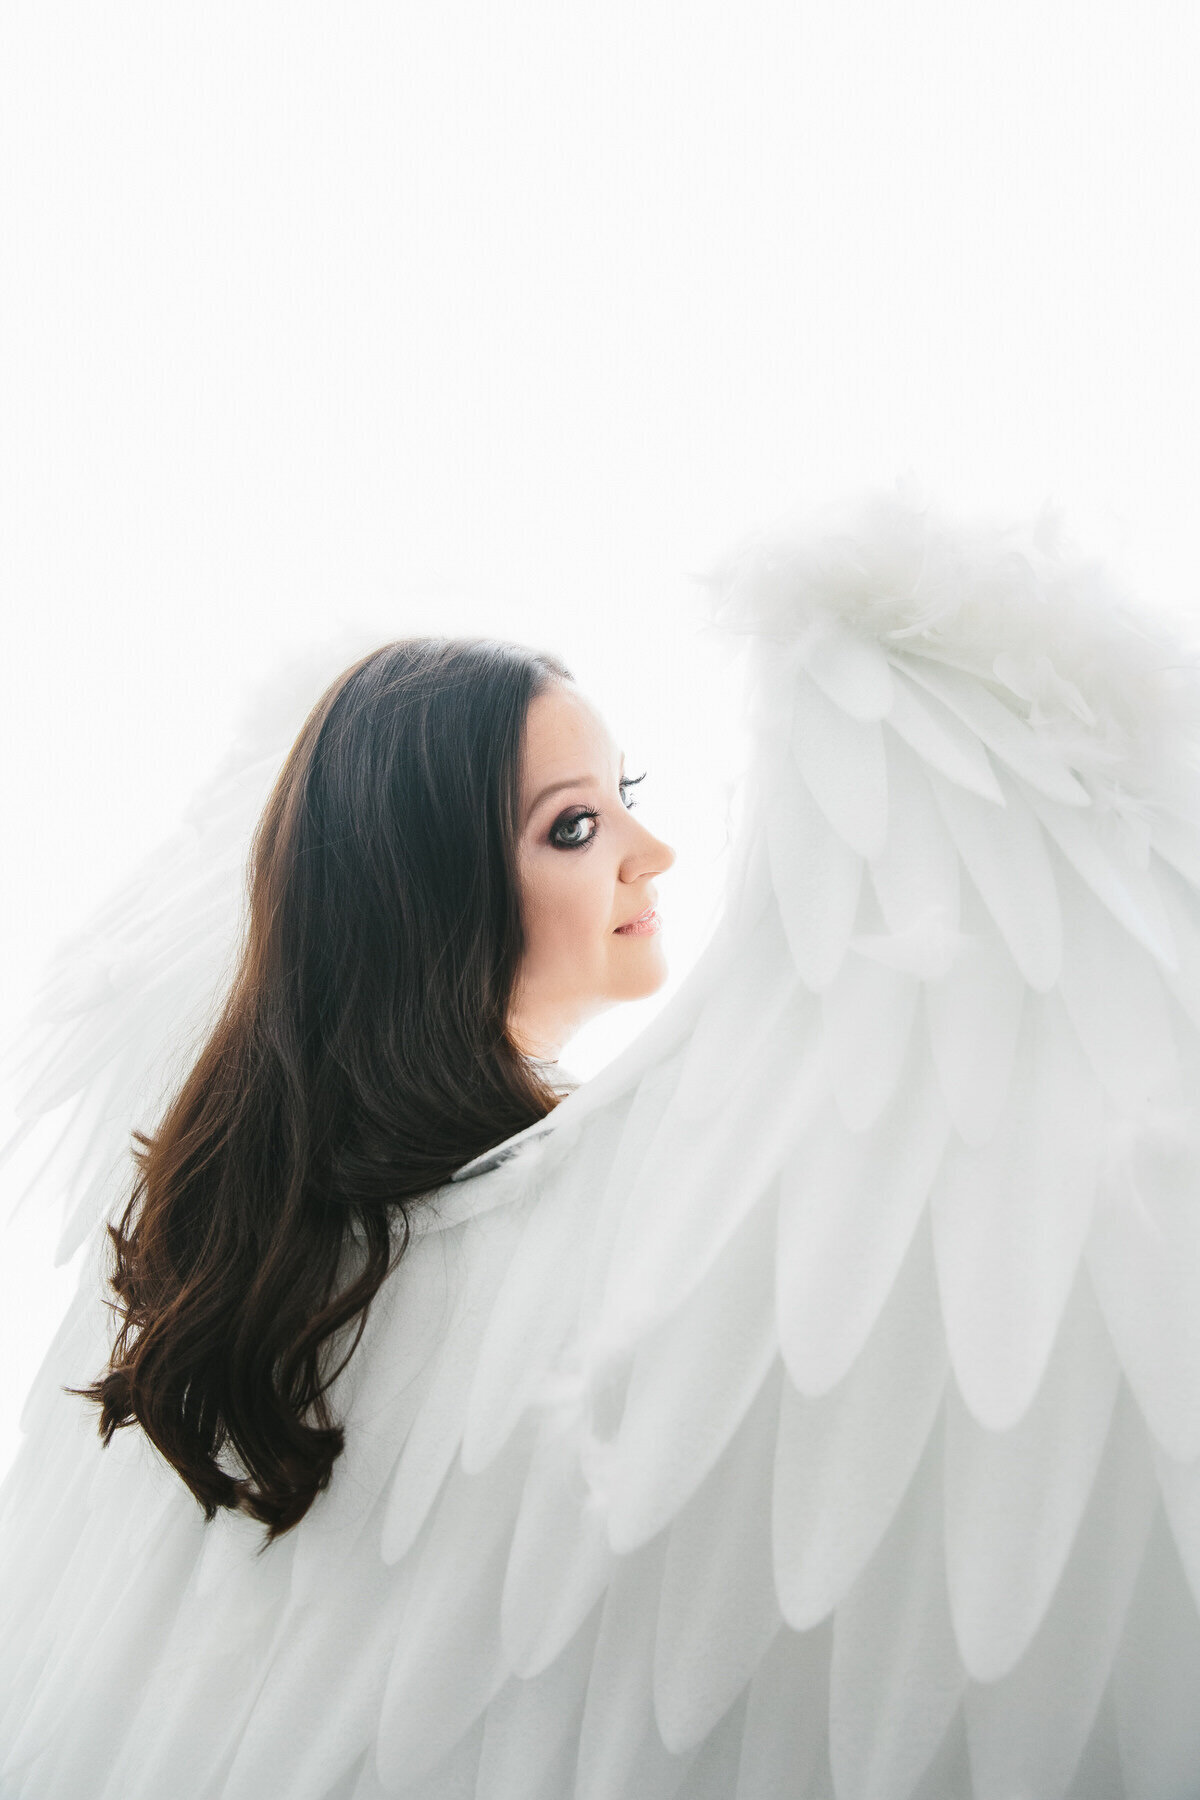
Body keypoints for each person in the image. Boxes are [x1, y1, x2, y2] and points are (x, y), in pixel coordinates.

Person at [4, 478, 1200, 1800]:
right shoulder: (573, 1242)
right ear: (429, 902)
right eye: (573, 826)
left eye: (623, 796)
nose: (654, 851)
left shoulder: (272, 1251)